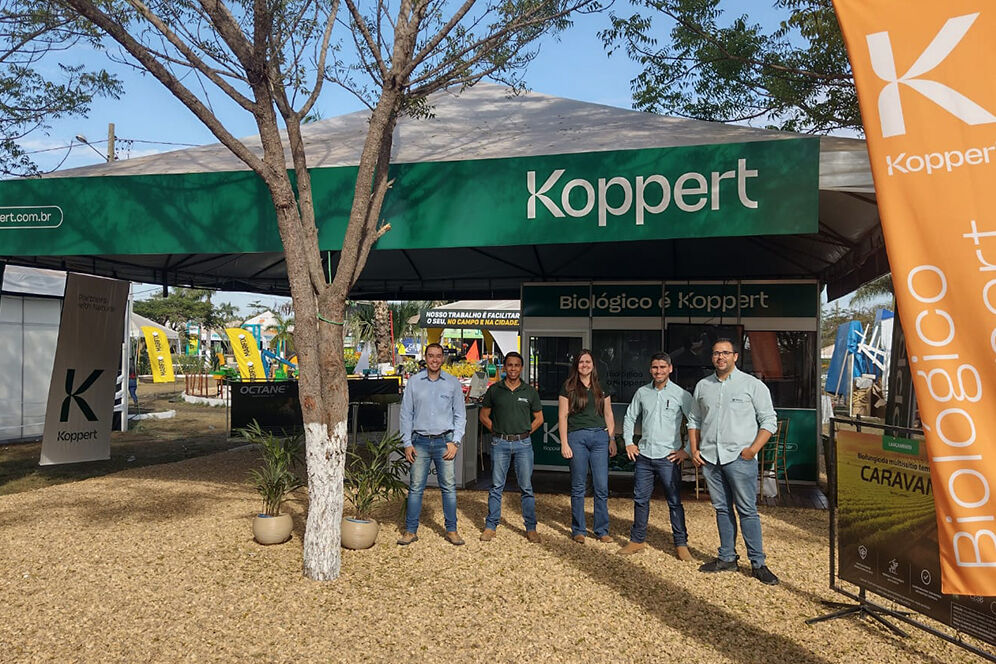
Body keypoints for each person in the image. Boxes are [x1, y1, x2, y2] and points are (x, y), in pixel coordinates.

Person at [688, 338, 780, 585]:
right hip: (711, 458)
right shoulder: (703, 386)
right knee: (721, 509)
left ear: (735, 356)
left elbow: (769, 421)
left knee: (747, 510)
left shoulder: (752, 385)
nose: (721, 357)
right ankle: (727, 557)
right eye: (716, 353)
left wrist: (752, 450)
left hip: (740, 459)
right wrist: (694, 449)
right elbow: (694, 420)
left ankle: (758, 563)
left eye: (725, 353)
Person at [618, 353, 694, 560]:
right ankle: (637, 540)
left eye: (662, 367)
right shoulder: (642, 392)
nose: (658, 371)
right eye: (654, 367)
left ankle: (681, 544)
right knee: (640, 500)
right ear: (650, 369)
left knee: (674, 502)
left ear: (670, 368)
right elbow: (630, 417)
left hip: (669, 457)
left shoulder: (681, 395)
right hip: (644, 456)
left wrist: (687, 450)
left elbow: (694, 421)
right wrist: (629, 442)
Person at [397, 342, 467, 546]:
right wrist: (407, 443)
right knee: (415, 488)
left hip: (445, 442)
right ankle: (410, 531)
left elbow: (460, 415)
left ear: (443, 358)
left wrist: (455, 441)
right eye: (431, 356)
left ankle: (452, 530)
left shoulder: (452, 383)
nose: (434, 360)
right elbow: (406, 414)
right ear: (425, 358)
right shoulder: (414, 382)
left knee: (449, 488)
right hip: (419, 442)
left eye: (438, 356)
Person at [478, 352, 543, 543]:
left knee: (526, 487)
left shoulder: (529, 391)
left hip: (523, 444)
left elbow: (539, 418)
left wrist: (526, 433)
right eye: (510, 365)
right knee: (496, 486)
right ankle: (491, 526)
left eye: (516, 365)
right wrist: (497, 431)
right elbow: (483, 416)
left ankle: (531, 528)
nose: (513, 368)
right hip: (500, 443)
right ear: (504, 367)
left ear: (521, 368)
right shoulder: (494, 390)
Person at [559, 349, 616, 543]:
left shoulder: (601, 386)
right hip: (577, 438)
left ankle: (602, 530)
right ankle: (579, 530)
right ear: (576, 365)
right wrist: (564, 443)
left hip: (600, 438)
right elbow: (562, 416)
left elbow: (608, 414)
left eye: (588, 362)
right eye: (581, 362)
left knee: (601, 486)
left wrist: (611, 439)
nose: (585, 365)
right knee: (578, 486)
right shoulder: (568, 387)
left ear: (593, 365)